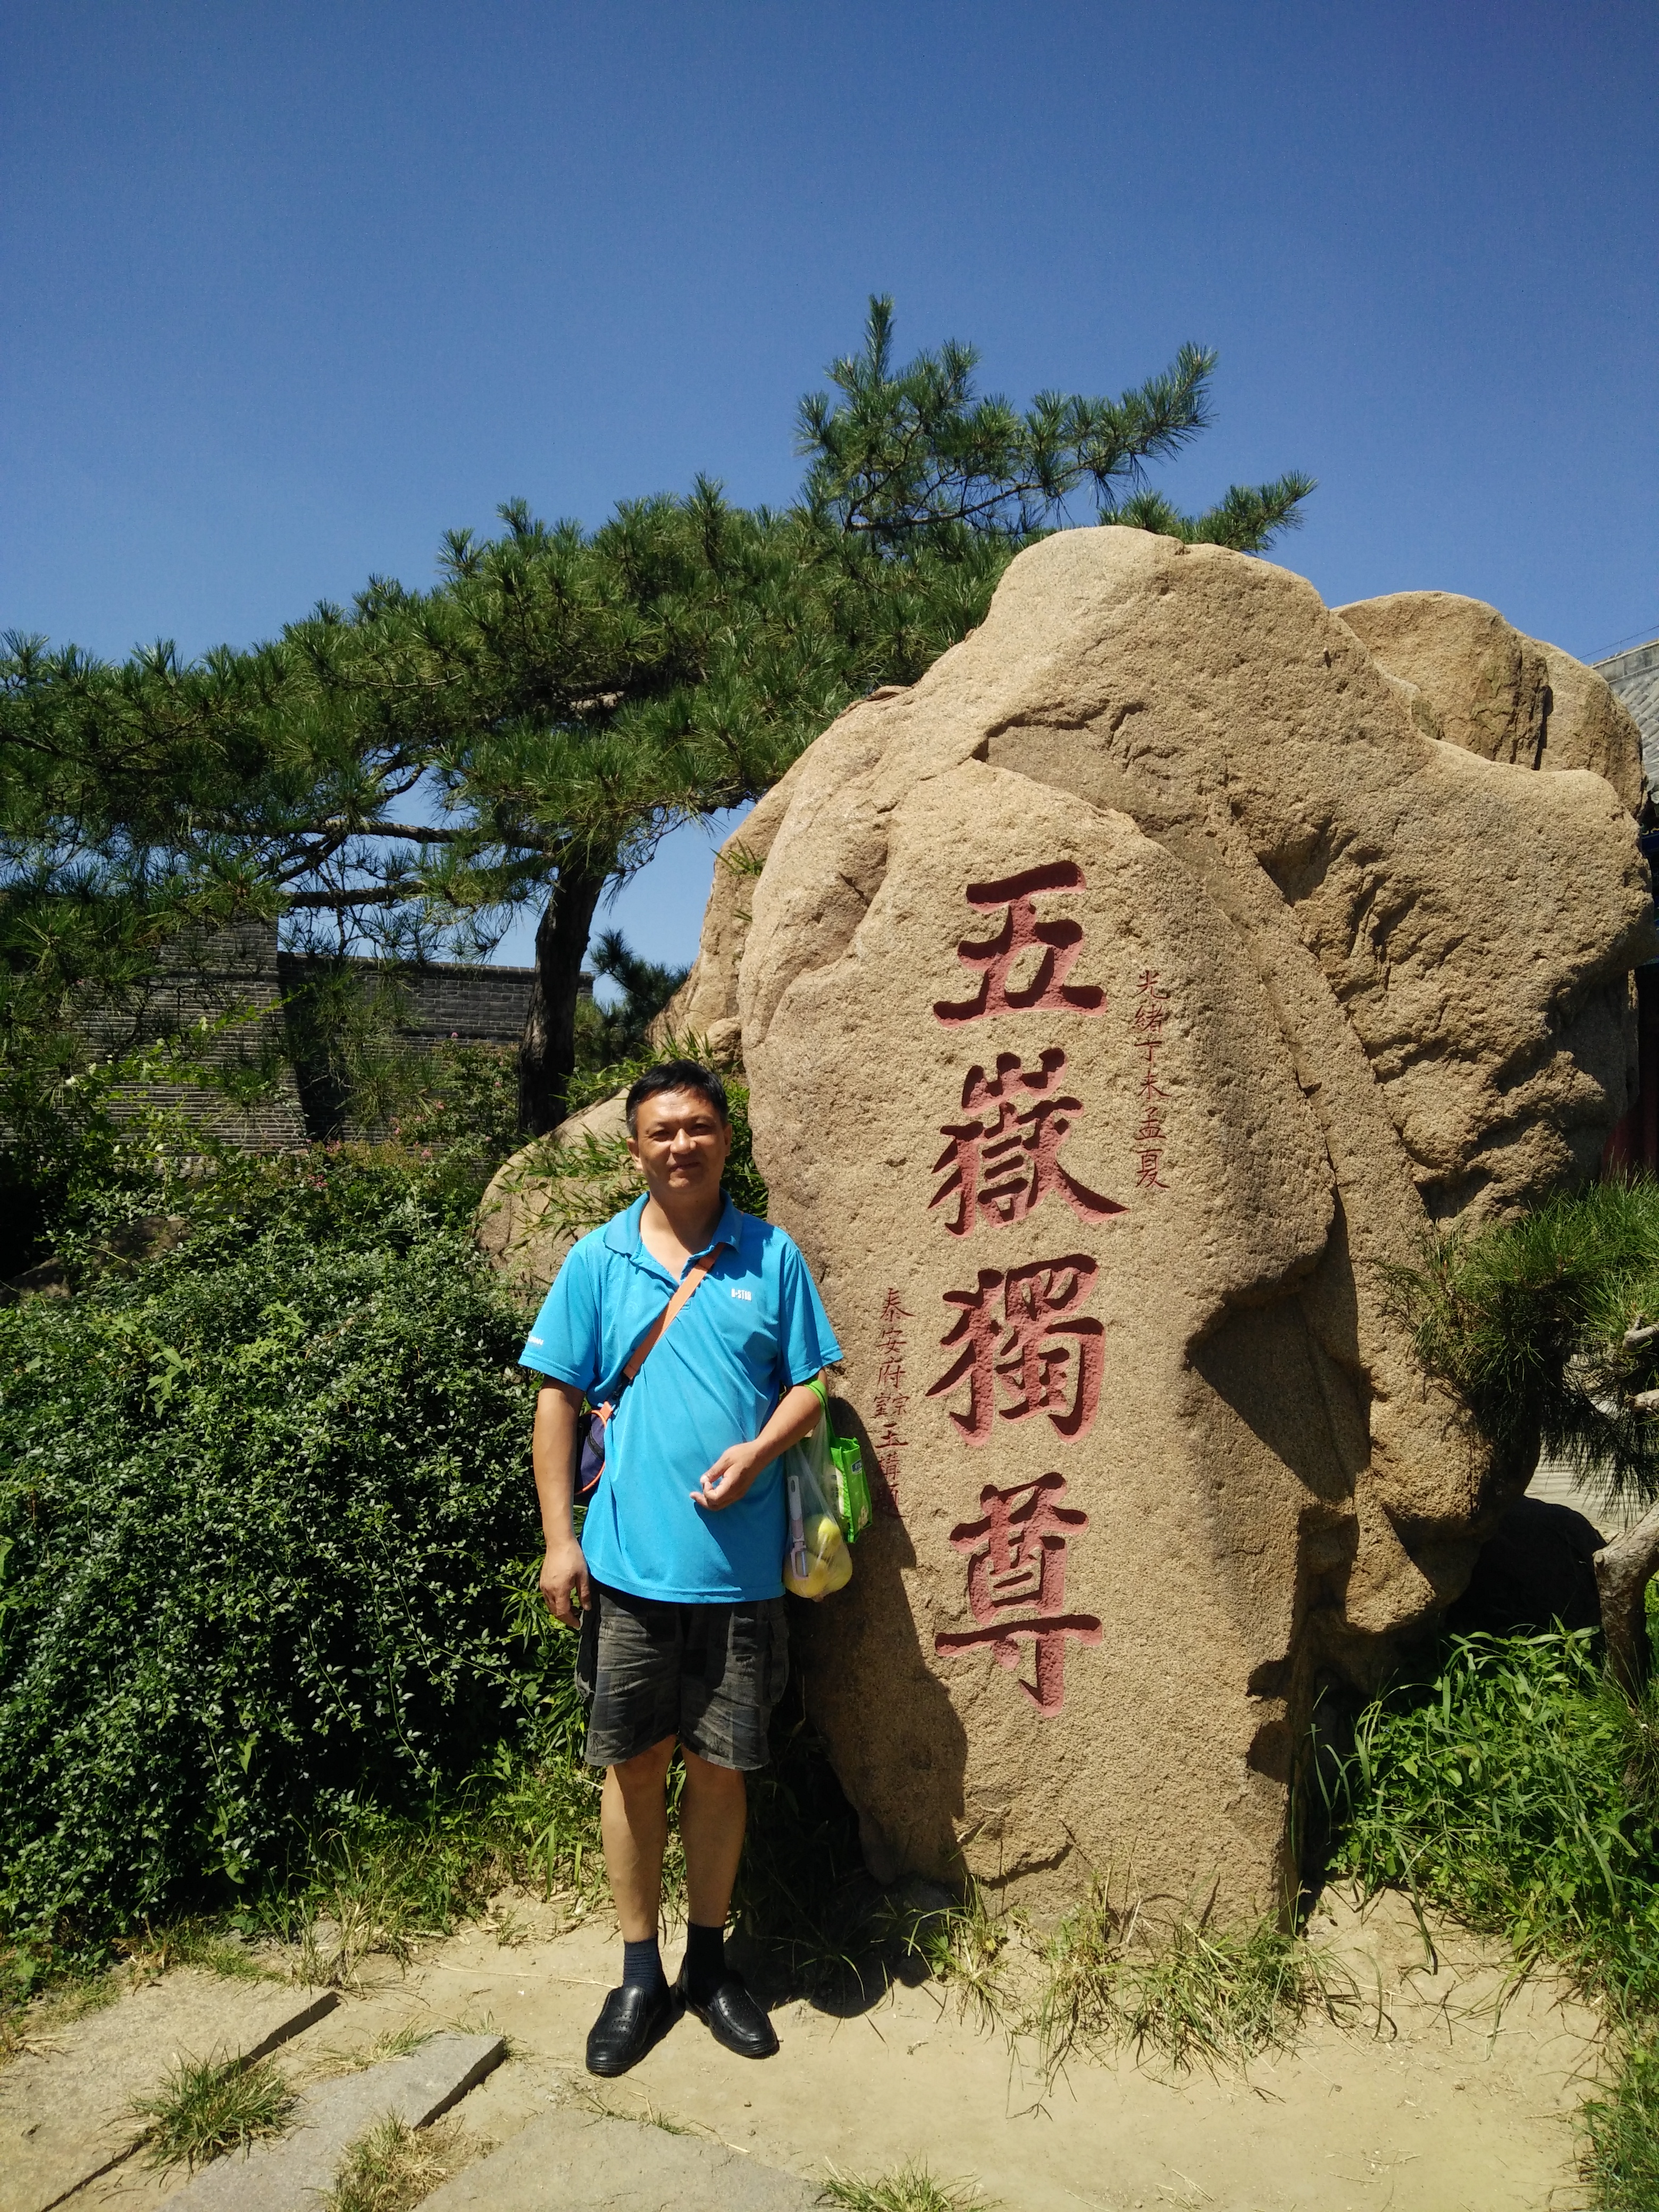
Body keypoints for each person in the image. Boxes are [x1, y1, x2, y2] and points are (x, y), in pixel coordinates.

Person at [522, 1058, 841, 2077]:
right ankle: (636, 1974)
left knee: (721, 1769)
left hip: (743, 1577)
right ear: (636, 1148)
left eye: (699, 1127)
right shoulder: (599, 1261)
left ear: (724, 1138)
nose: (682, 1146)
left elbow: (814, 1386)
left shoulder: (770, 1256)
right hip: (625, 1568)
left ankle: (709, 1966)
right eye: (662, 1132)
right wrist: (560, 1539)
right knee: (634, 1766)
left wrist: (759, 1450)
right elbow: (557, 1403)